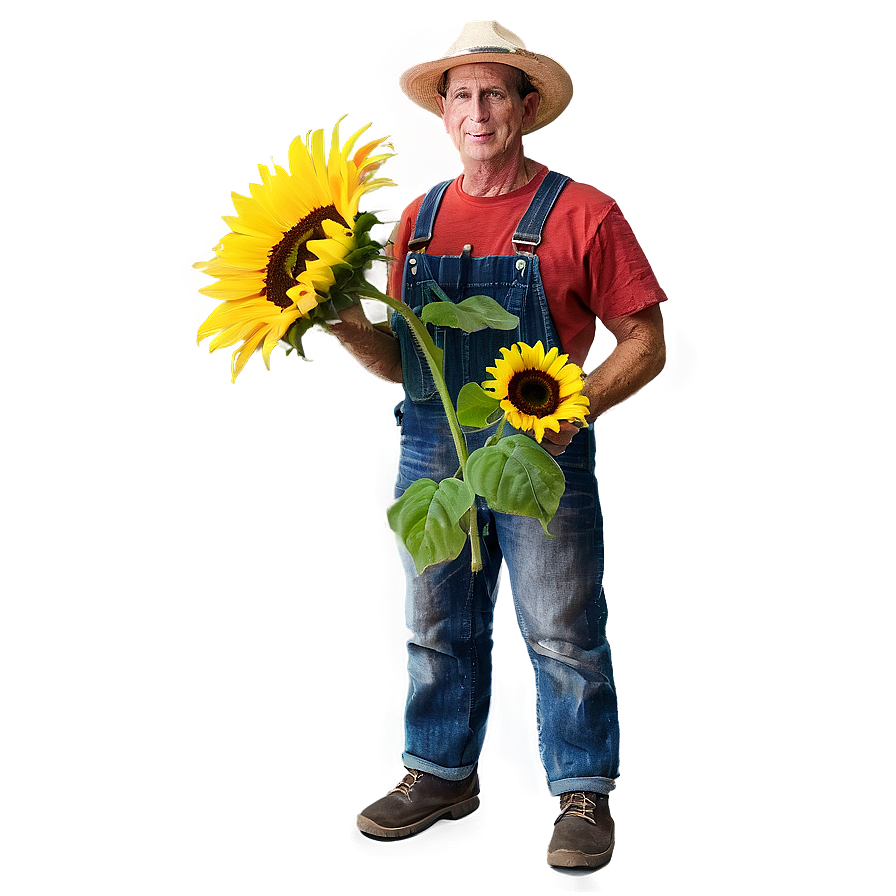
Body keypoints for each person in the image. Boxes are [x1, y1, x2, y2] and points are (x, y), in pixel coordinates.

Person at [329, 19, 667, 870]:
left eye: (495, 93)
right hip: (431, 452)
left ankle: (583, 789)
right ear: (444, 114)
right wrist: (339, 318)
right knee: (436, 619)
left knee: (562, 628)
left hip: (538, 452)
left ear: (525, 106)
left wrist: (569, 410)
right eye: (462, 95)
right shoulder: (422, 217)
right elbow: (397, 360)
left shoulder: (584, 214)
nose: (478, 110)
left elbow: (645, 342)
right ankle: (439, 773)